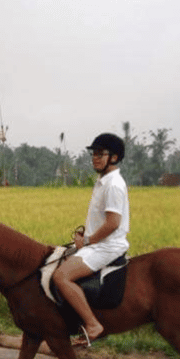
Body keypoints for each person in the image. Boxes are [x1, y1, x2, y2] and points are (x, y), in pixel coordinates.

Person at [52, 133, 130, 347]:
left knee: (61, 276)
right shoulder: (103, 182)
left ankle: (93, 325)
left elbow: (113, 223)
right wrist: (85, 235)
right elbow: (101, 219)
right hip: (97, 244)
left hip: (106, 247)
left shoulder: (113, 184)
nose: (94, 158)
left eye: (99, 154)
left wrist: (87, 242)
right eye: (93, 154)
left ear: (113, 157)